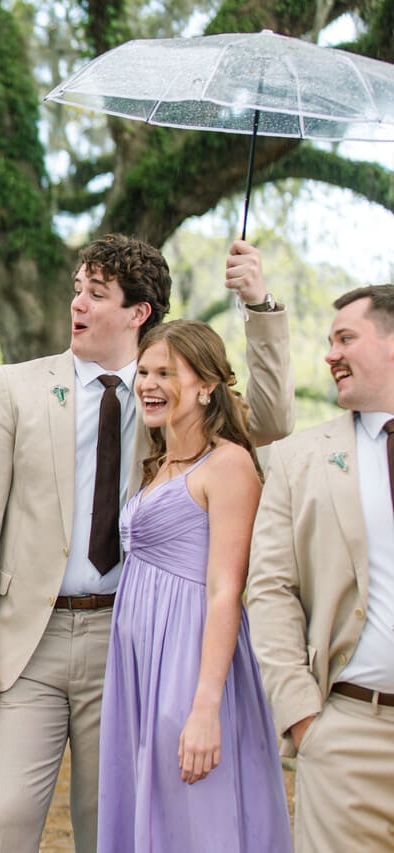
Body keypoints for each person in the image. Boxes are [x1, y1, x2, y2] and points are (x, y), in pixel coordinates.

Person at [0, 237, 294, 852]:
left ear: (139, 312)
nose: (78, 302)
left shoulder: (168, 389)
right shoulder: (17, 388)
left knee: (115, 825)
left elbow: (270, 418)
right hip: (28, 641)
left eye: (96, 293)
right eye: (77, 289)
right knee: (0, 819)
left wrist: (258, 303)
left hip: (132, 645)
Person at [96, 320, 290, 851]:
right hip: (138, 664)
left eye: (165, 373)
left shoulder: (228, 465)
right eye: (143, 372)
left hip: (188, 664)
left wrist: (205, 707)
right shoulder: (157, 464)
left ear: (207, 385)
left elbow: (226, 590)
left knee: (194, 816)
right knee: (148, 803)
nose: (148, 384)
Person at [247, 284, 394, 852]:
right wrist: (305, 720)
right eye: (329, 341)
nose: (330, 354)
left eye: (345, 338)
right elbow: (270, 590)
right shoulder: (297, 459)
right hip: (346, 737)